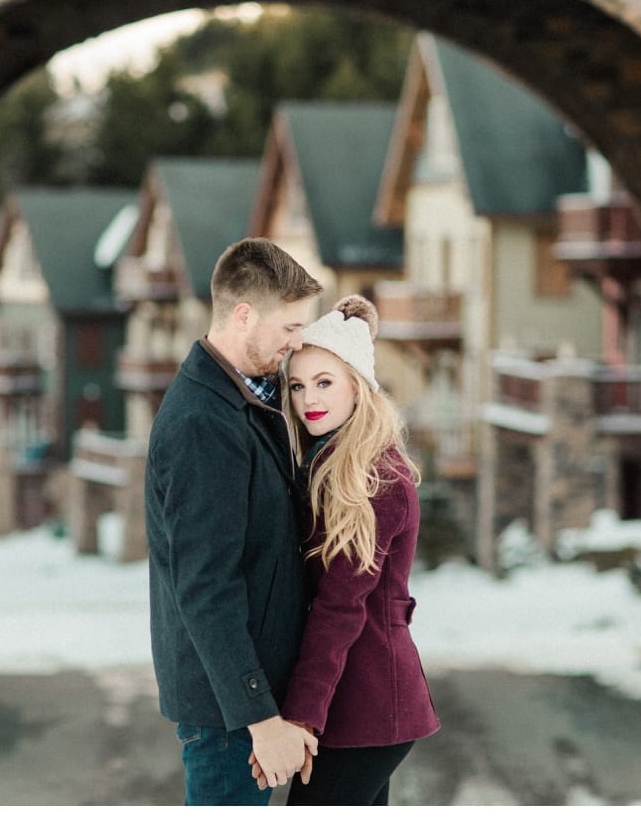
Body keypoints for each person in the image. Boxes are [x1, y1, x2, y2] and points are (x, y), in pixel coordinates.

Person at [145, 237, 325, 805]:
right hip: (231, 717)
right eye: (290, 327)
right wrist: (259, 718)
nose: (297, 344)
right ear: (243, 314)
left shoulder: (245, 393)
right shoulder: (203, 422)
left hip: (249, 702)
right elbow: (205, 586)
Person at [253, 294, 441, 805]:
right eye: (297, 385)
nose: (308, 398)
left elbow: (341, 606)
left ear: (358, 386)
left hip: (371, 704)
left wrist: (300, 715)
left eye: (324, 382)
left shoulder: (376, 479)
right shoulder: (325, 462)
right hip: (354, 704)